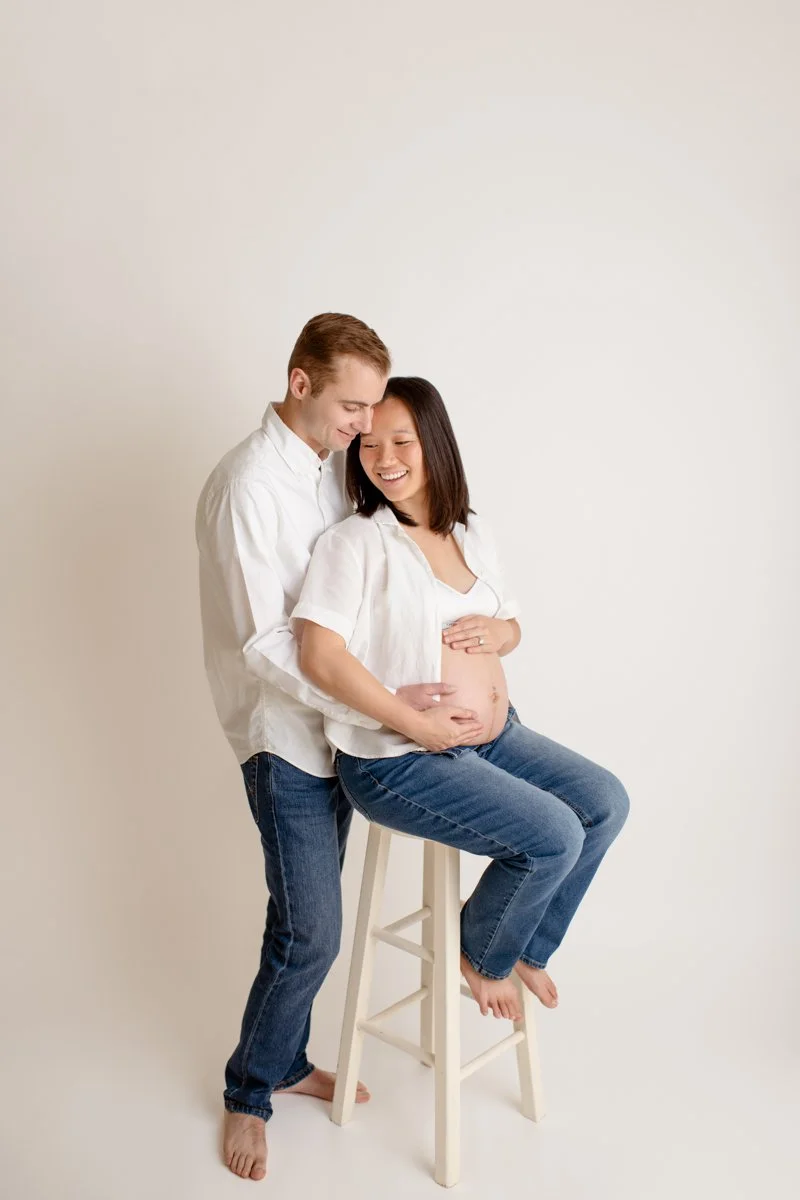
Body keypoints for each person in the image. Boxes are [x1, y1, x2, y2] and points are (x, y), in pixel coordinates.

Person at [195, 321, 484, 1182]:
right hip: (279, 734)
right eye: (351, 405)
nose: (363, 424)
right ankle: (248, 1093)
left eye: (369, 407)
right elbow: (269, 644)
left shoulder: (328, 470)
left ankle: (284, 1062)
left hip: (338, 732)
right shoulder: (248, 487)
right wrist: (387, 705)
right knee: (313, 928)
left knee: (306, 919)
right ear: (298, 382)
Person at [292, 376, 630, 1025]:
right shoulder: (356, 542)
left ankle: (523, 945)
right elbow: (319, 656)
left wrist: (503, 633)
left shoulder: (470, 531)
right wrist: (414, 722)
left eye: (401, 440)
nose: (384, 459)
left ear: (434, 442)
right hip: (395, 755)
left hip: (493, 736)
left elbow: (509, 623)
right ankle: (482, 952)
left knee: (604, 803)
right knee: (555, 834)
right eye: (367, 445)